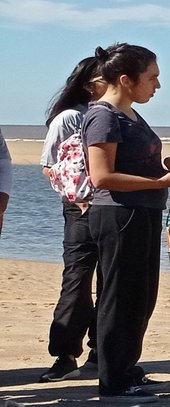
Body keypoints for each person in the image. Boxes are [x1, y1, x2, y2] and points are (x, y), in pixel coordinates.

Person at [82, 44, 170, 401]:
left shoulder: (129, 114)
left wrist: (164, 172)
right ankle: (113, 381)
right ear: (126, 80)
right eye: (152, 78)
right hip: (118, 214)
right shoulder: (104, 116)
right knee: (120, 297)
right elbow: (102, 176)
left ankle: (128, 370)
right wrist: (159, 183)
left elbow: (134, 166)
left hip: (143, 211)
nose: (157, 86)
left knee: (141, 297)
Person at [38, 55, 104, 382]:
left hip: (113, 206)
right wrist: (76, 199)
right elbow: (49, 166)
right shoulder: (69, 118)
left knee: (111, 282)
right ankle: (64, 355)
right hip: (79, 208)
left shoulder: (111, 115)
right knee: (77, 280)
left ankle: (102, 352)